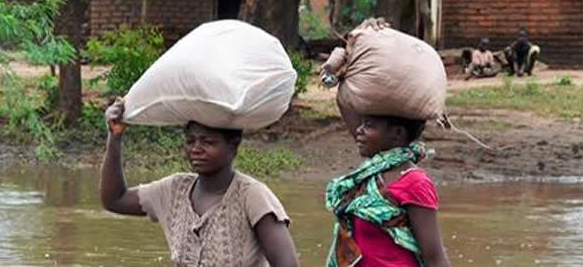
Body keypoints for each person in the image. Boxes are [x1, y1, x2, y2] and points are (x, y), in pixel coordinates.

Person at [99, 99, 300, 267]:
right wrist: (115, 137)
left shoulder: (252, 195)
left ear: (233, 147)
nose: (196, 149)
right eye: (190, 141)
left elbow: (287, 264)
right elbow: (115, 200)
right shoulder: (174, 189)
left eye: (208, 142)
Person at [325, 115, 450, 267]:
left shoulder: (415, 182)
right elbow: (347, 103)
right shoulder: (368, 175)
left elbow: (435, 257)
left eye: (369, 125)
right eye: (361, 124)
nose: (359, 130)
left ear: (397, 133)